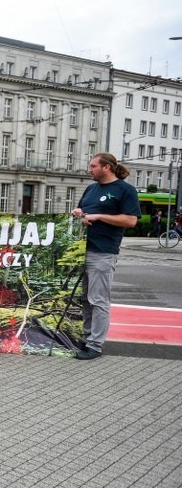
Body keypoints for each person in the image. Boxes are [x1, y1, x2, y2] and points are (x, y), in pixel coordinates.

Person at [71, 152, 140, 360]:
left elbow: (131, 221)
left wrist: (99, 216)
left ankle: (95, 345)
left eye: (93, 166)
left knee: (98, 299)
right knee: (85, 298)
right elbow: (83, 211)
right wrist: (78, 213)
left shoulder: (125, 190)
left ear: (106, 167)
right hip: (82, 249)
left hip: (103, 251)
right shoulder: (91, 188)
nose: (89, 170)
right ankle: (86, 337)